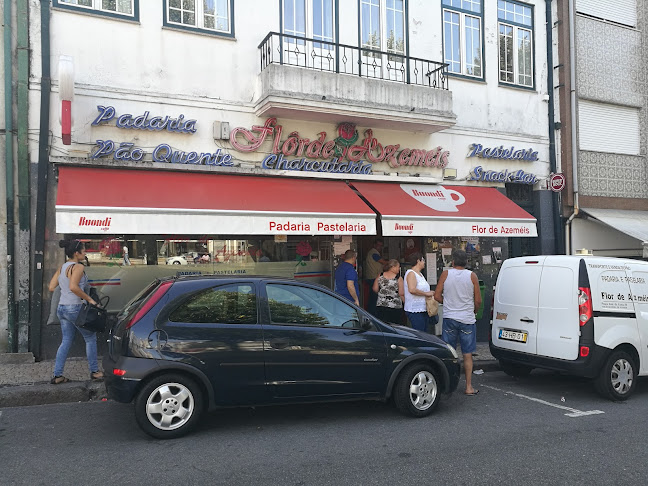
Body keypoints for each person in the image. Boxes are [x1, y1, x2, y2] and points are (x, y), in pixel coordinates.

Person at [48, 239, 104, 384]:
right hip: (74, 307)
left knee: (66, 340)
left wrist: (65, 291)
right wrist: (90, 300)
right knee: (90, 338)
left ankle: (58, 375)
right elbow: (74, 287)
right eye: (83, 250)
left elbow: (52, 287)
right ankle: (95, 372)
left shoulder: (62, 267)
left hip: (62, 308)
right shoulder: (78, 267)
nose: (85, 253)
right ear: (76, 253)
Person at [434, 249, 482, 396]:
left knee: (449, 353)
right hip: (467, 319)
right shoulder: (472, 276)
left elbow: (436, 295)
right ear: (466, 262)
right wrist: (473, 310)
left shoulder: (446, 274)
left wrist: (447, 303)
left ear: (453, 262)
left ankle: (446, 385)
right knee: (467, 354)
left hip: (450, 318)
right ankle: (468, 387)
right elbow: (478, 300)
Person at [403, 252, 435, 332]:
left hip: (423, 308)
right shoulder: (411, 273)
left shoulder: (420, 274)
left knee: (425, 332)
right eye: (423, 260)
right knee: (419, 333)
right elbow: (412, 289)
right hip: (415, 309)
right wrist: (426, 293)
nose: (424, 262)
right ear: (418, 261)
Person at [372, 259, 404, 325]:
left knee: (383, 326)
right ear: (393, 267)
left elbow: (375, 289)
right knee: (395, 327)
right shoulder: (398, 278)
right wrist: (405, 303)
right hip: (395, 306)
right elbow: (401, 293)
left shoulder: (380, 275)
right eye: (398, 267)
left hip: (381, 305)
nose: (399, 268)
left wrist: (382, 293)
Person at [364, 239, 388, 314]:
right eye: (378, 245)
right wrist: (393, 262)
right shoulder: (374, 253)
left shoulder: (373, 253)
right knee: (374, 298)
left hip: (372, 277)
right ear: (374, 245)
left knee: (373, 297)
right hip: (373, 278)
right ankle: (372, 314)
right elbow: (383, 262)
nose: (379, 247)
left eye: (381, 246)